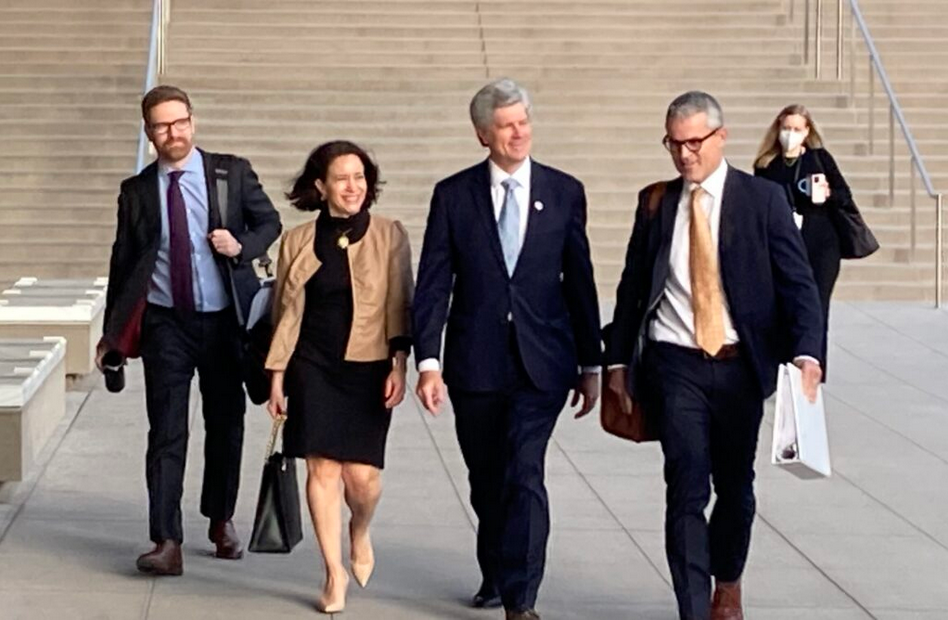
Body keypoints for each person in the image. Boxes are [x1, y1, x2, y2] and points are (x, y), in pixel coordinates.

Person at [604, 91, 824, 620]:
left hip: (738, 366)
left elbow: (799, 286)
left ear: (720, 137)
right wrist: (615, 363)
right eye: (673, 144)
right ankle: (694, 608)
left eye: (694, 143)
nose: (684, 155)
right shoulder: (656, 203)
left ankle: (728, 581)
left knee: (735, 488)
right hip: (674, 362)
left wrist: (808, 354)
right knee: (685, 483)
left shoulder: (762, 202)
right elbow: (633, 287)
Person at [412, 78, 602, 620]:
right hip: (476, 363)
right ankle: (496, 567)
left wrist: (592, 362)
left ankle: (522, 600)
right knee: (486, 477)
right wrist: (429, 361)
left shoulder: (564, 191)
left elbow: (580, 283)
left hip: (543, 363)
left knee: (523, 469)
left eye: (524, 122)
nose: (519, 133)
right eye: (507, 125)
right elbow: (434, 282)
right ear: (482, 134)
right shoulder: (454, 195)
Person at [98, 84, 282, 575]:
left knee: (225, 426)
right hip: (165, 324)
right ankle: (166, 540)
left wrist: (239, 246)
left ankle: (220, 519)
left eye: (179, 122)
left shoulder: (230, 173)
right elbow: (123, 261)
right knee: (166, 431)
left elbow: (271, 223)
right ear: (149, 131)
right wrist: (111, 333)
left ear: (192, 122)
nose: (172, 132)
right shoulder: (136, 191)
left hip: (225, 322)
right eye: (161, 125)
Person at [265, 141, 413, 614]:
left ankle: (360, 530)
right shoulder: (297, 240)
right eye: (342, 178)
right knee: (322, 470)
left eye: (360, 177)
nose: (353, 186)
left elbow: (400, 305)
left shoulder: (391, 234)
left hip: (369, 367)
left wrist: (399, 363)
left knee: (363, 478)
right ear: (321, 186)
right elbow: (282, 313)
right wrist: (276, 374)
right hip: (313, 364)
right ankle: (333, 573)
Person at [754, 104, 875, 377]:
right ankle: (785, 363)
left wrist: (827, 192)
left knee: (816, 304)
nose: (790, 134)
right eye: (786, 128)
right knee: (783, 303)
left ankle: (813, 366)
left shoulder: (819, 159)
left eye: (797, 129)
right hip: (784, 242)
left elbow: (844, 195)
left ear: (807, 132)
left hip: (821, 242)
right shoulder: (767, 165)